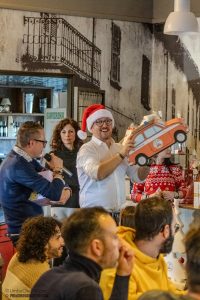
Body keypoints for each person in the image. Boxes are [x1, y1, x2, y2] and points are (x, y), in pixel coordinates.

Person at [31, 207, 134, 300]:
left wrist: (122, 275)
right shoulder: (85, 288)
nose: (121, 244)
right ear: (97, 247)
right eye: (115, 237)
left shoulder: (48, 277)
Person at [100, 197, 185, 300]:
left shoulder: (156, 257)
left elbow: (171, 293)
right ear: (165, 231)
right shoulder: (119, 266)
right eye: (175, 227)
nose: (174, 233)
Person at [0, 121, 71, 244]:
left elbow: (49, 181)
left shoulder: (26, 160)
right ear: (32, 142)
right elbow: (54, 193)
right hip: (24, 232)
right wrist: (58, 169)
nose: (44, 146)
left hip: (31, 229)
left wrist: (66, 189)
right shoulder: (18, 164)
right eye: (43, 142)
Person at [77, 103, 148, 212]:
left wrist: (148, 160)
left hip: (118, 213)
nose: (104, 125)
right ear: (91, 127)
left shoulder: (120, 148)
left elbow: (137, 177)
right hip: (93, 216)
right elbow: (98, 173)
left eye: (108, 121)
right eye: (99, 122)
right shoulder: (86, 149)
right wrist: (121, 155)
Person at [2, 215, 64, 300]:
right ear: (44, 242)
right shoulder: (43, 277)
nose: (63, 242)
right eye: (58, 238)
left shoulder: (18, 256)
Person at [50, 118, 82, 209]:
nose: (67, 135)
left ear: (76, 133)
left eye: (71, 131)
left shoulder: (83, 153)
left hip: (80, 198)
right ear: (59, 135)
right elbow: (49, 180)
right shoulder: (53, 156)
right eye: (63, 132)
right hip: (61, 200)